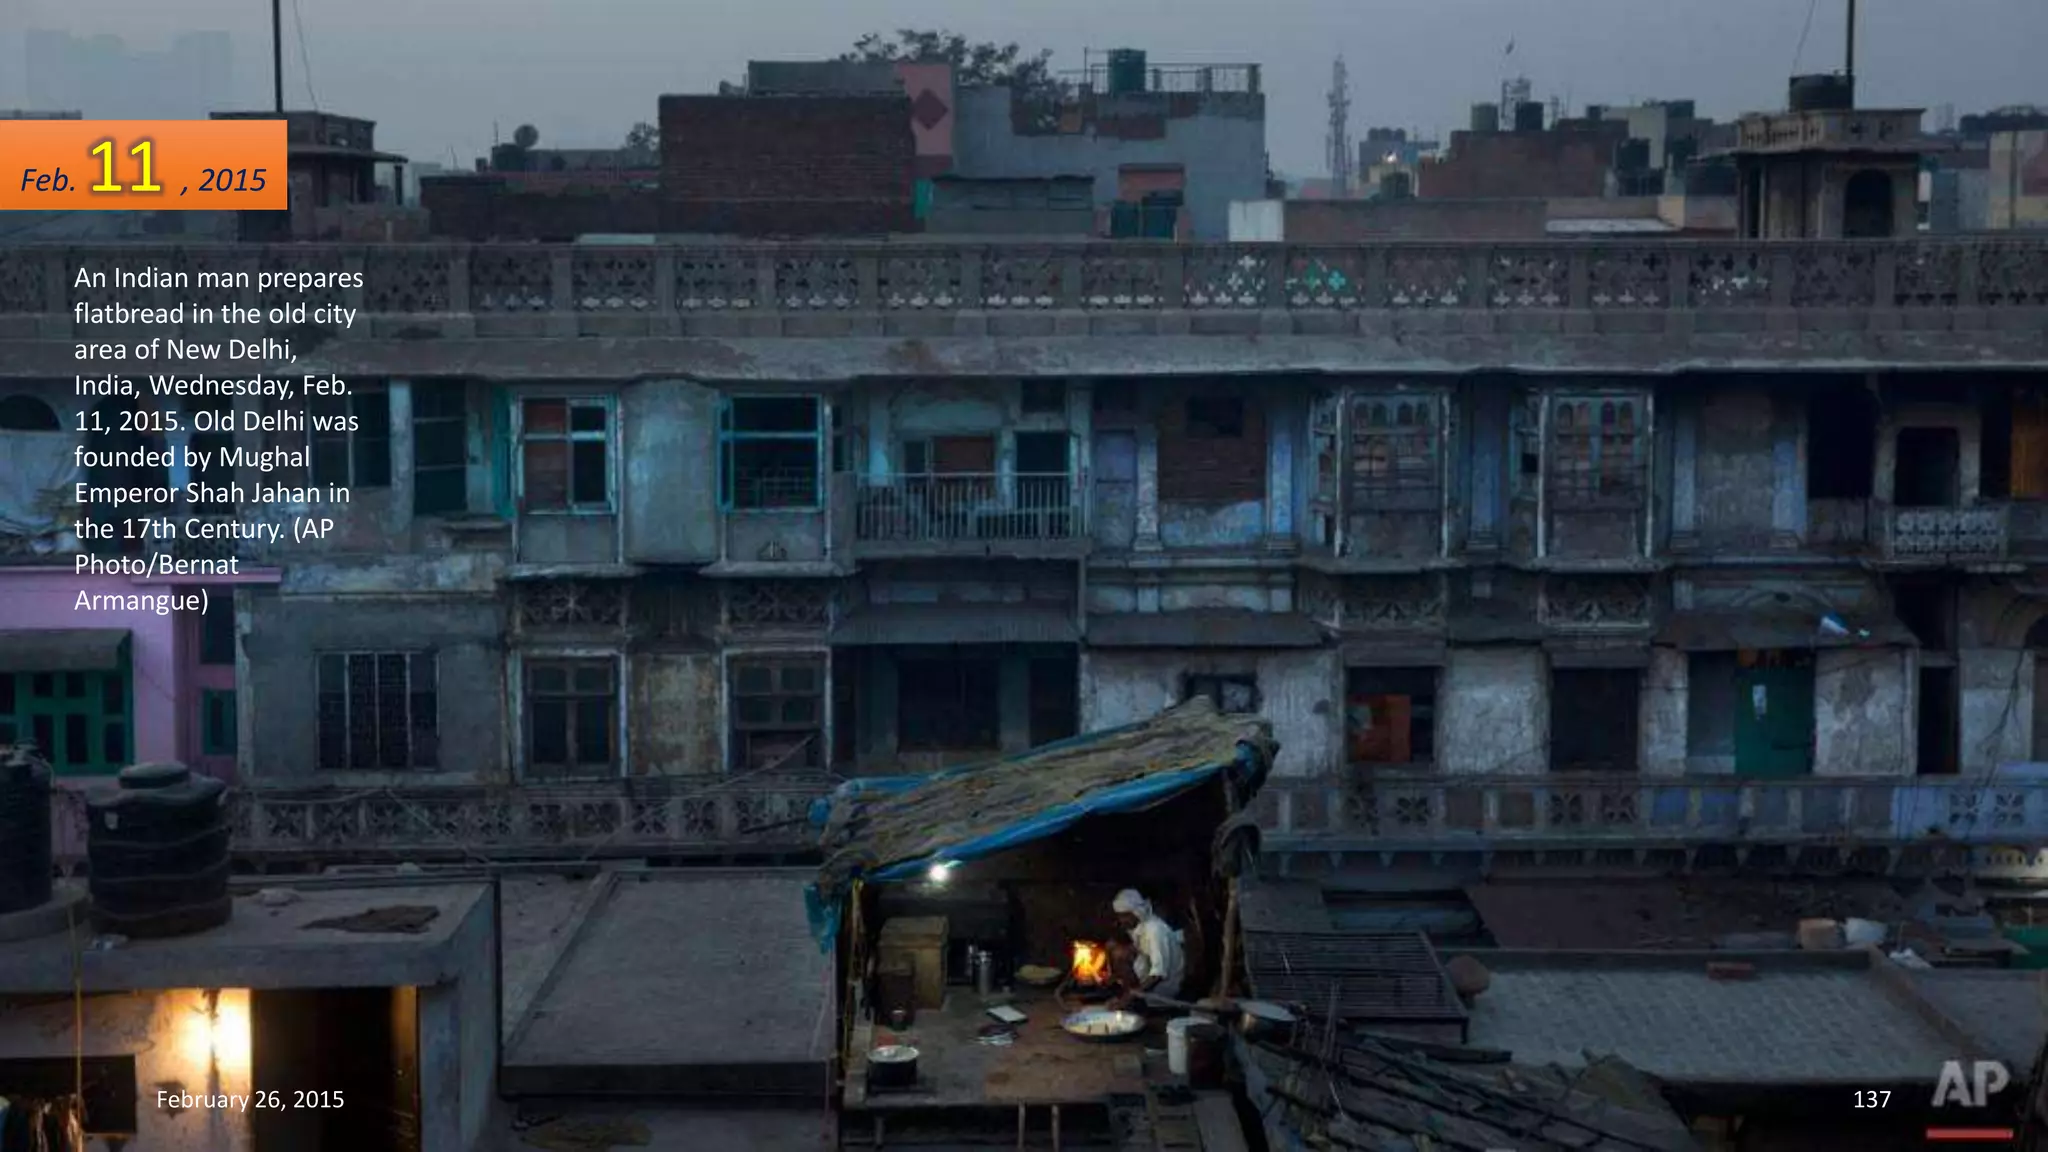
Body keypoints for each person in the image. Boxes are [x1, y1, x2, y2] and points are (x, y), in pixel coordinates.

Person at [1110, 889, 1185, 1004]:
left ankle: (1136, 1000)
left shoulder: (1155, 930)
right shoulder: (1140, 926)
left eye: (1125, 916)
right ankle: (1131, 995)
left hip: (1166, 987)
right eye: (1119, 916)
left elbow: (1158, 975)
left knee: (1120, 954)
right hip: (1146, 977)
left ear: (1136, 912)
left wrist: (1129, 997)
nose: (1121, 921)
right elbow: (1140, 949)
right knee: (1118, 951)